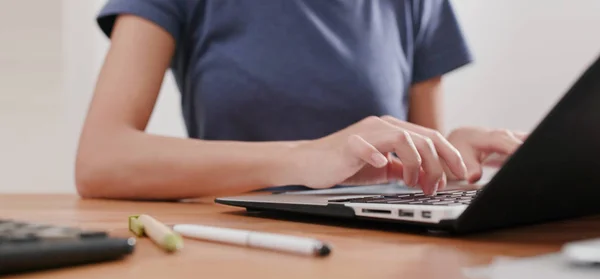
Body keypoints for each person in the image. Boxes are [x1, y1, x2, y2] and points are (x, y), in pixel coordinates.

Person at [75, 0, 525, 201]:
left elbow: (410, 175)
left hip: (376, 256)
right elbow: (101, 159)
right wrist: (304, 157)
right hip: (228, 248)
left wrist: (449, 157)